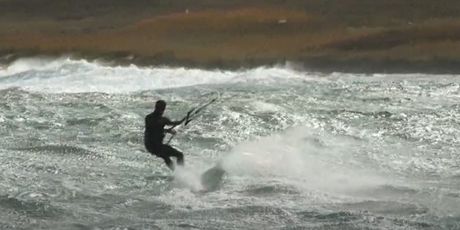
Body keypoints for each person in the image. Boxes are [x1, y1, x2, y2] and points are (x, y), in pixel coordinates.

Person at [144, 100, 186, 170]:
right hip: (152, 146)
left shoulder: (162, 119)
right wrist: (167, 128)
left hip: (156, 145)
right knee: (177, 155)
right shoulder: (149, 118)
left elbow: (171, 123)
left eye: (162, 108)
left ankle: (178, 173)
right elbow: (153, 127)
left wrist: (182, 120)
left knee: (167, 156)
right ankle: (181, 173)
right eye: (160, 108)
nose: (161, 110)